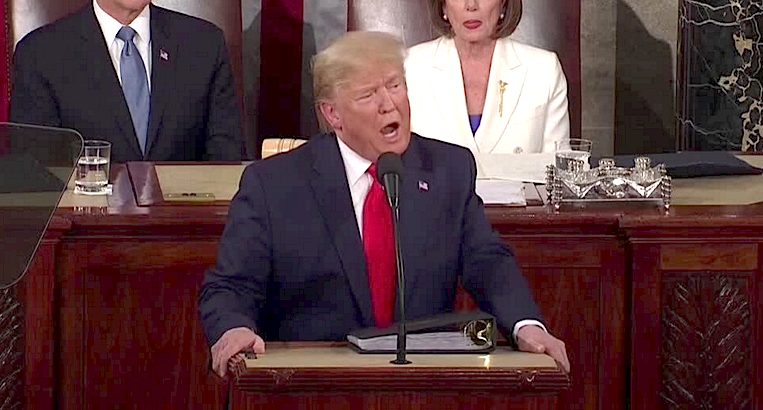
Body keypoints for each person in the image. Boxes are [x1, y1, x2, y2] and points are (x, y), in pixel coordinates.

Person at [198, 31, 569, 377]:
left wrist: (526, 325)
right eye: (368, 95)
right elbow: (230, 285)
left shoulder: (448, 171)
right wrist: (233, 328)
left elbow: (487, 261)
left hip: (421, 384)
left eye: (395, 86)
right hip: (313, 385)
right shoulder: (275, 185)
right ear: (333, 114)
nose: (389, 104)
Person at [10, 0, 242, 162]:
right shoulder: (41, 55)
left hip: (186, 216)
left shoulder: (204, 45)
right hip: (87, 217)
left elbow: (228, 160)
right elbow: (38, 173)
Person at [405, 0, 569, 158]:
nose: (471, 5)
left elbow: (559, 167)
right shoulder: (410, 67)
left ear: (503, 4)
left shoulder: (544, 69)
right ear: (443, 6)